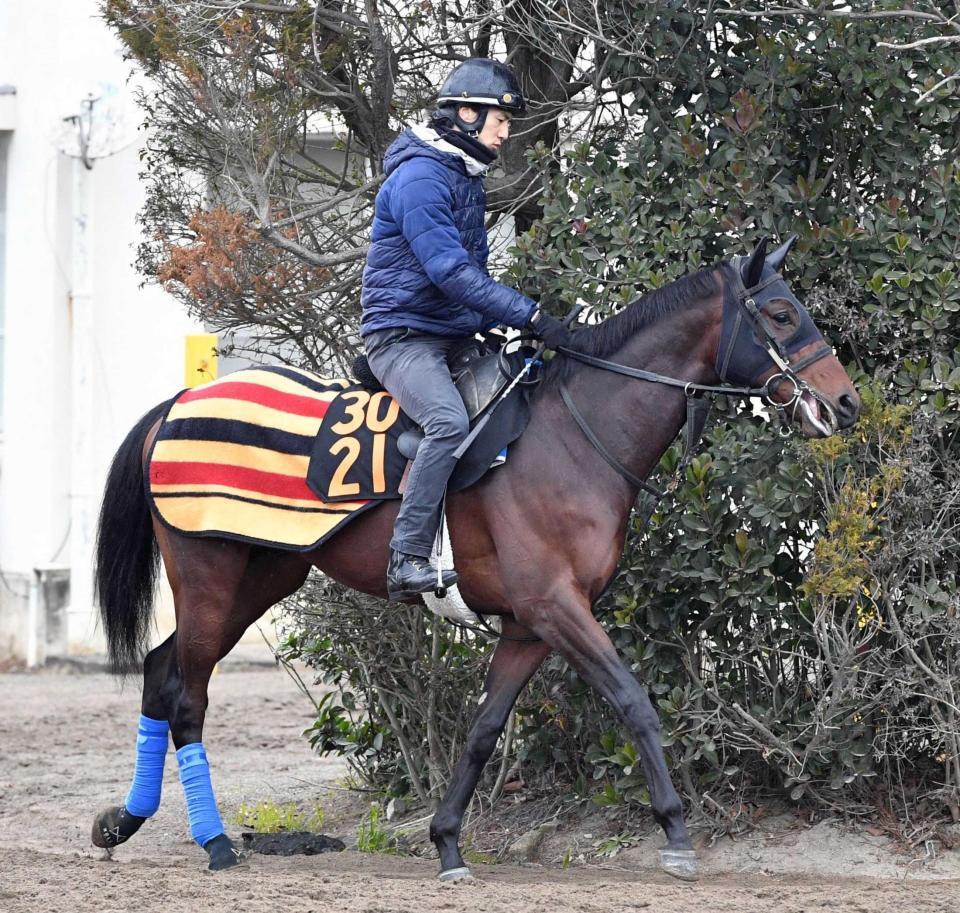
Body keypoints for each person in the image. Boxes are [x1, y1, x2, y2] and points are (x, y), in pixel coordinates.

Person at [360, 57, 572, 601]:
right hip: (402, 338)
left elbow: (466, 282)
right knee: (449, 424)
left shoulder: (461, 175)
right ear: (466, 115)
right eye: (499, 120)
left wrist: (507, 331)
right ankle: (406, 560)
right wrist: (528, 315)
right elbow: (451, 274)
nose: (505, 132)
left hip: (450, 336)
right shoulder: (420, 177)